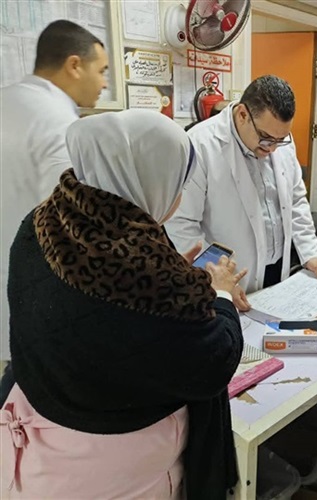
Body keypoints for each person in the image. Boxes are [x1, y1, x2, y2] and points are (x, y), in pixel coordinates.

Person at [1, 110, 244, 499]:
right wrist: (219, 293)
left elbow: (105, 311)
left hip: (36, 440)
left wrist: (173, 276)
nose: (179, 197)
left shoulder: (41, 223)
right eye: (177, 183)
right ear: (147, 179)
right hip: (113, 470)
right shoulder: (149, 277)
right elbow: (214, 360)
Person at [0, 19, 109, 402]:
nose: (104, 83)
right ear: (74, 65)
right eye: (102, 70)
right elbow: (70, 224)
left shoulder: (6, 100)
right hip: (37, 297)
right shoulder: (59, 123)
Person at [165, 75, 317, 311]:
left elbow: (295, 201)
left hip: (277, 272)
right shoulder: (200, 145)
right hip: (230, 279)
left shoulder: (278, 138)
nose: (272, 148)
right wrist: (219, 281)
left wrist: (310, 253)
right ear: (243, 114)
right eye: (266, 139)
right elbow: (182, 224)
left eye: (280, 140)